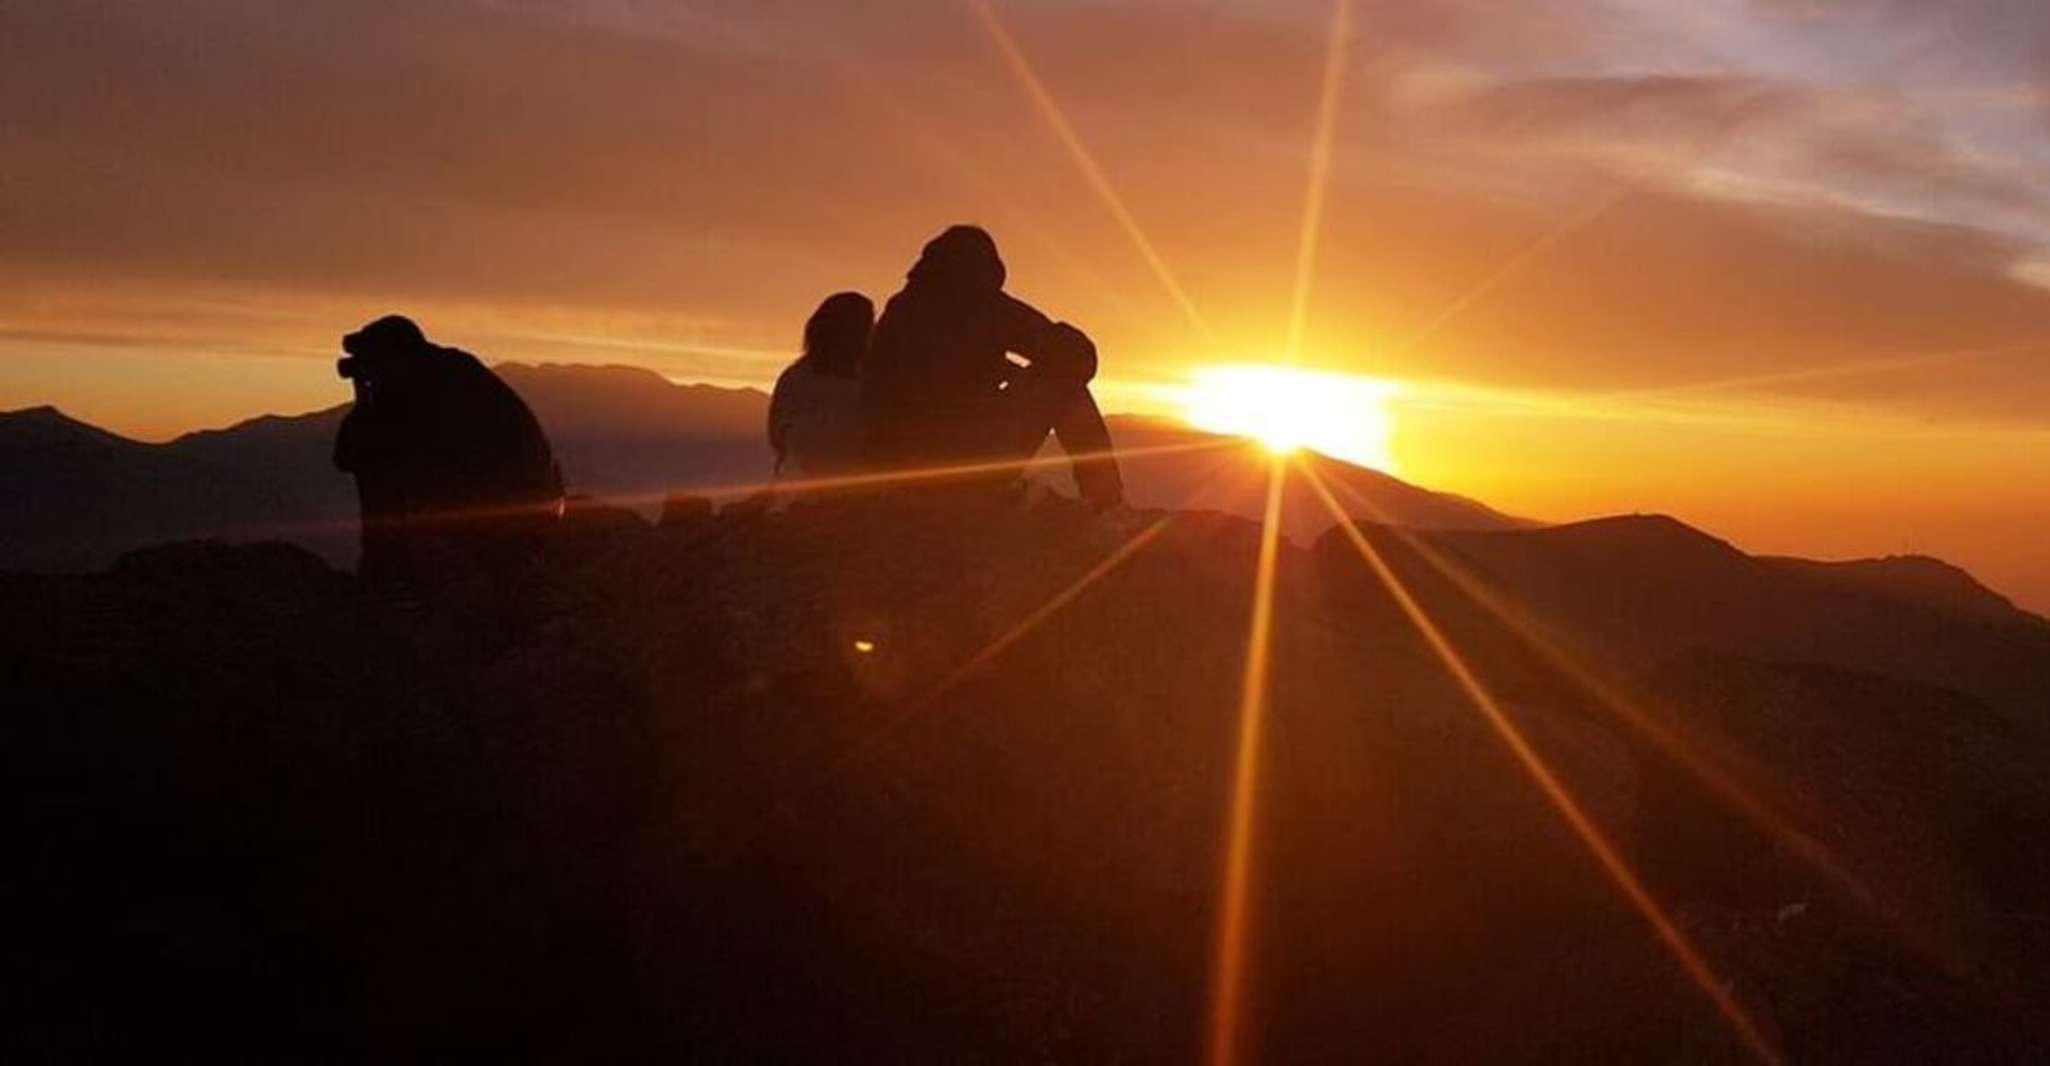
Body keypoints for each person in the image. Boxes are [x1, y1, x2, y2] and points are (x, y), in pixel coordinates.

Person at [862, 225, 1124, 511]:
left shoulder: (900, 311)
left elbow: (931, 376)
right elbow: (1073, 354)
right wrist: (1032, 370)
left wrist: (1005, 370)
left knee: (1060, 374)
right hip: (968, 470)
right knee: (1065, 383)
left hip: (897, 476)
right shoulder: (987, 307)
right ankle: (1106, 502)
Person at [332, 315, 563, 594]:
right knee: (384, 463)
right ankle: (394, 572)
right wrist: (367, 398)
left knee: (382, 469)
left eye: (375, 364)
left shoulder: (431, 388)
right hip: (530, 501)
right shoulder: (448, 370)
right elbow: (347, 455)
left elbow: (356, 456)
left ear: (395, 359)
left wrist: (370, 403)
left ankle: (393, 576)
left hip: (512, 512)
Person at [767, 292, 873, 480]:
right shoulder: (872, 379)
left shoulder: (793, 378)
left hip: (802, 487)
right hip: (842, 489)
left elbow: (777, 436)